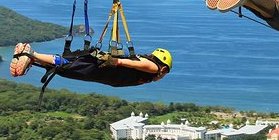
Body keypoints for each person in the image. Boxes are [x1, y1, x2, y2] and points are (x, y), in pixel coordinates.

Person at [9, 43, 172, 87]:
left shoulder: (148, 75)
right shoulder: (154, 69)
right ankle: (31, 54)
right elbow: (136, 63)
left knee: (66, 68)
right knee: (69, 67)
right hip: (105, 70)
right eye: (165, 74)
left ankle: (32, 58)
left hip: (104, 72)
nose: (162, 76)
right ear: (163, 68)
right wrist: (118, 61)